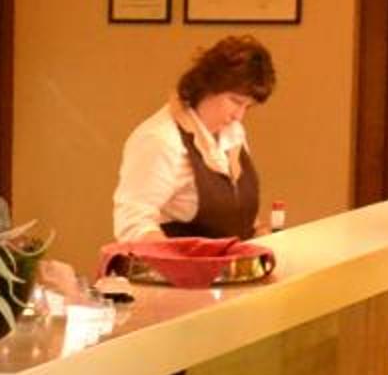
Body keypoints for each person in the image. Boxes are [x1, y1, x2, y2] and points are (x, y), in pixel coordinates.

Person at [112, 35, 276, 244]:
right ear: (208, 85)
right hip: (177, 264)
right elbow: (133, 224)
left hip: (232, 264)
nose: (239, 116)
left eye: (248, 106)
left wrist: (261, 235)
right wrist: (177, 257)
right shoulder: (161, 139)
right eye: (235, 101)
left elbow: (235, 214)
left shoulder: (234, 134)